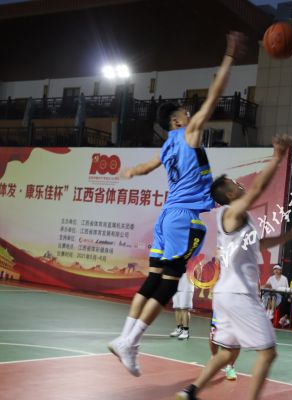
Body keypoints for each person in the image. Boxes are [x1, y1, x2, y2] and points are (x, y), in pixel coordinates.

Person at [107, 31, 247, 377]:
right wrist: (229, 56)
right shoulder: (188, 133)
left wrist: (130, 172)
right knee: (169, 284)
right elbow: (214, 96)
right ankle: (131, 342)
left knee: (152, 281)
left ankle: (124, 338)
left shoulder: (168, 145)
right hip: (183, 218)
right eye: (185, 112)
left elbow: (146, 167)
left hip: (167, 216)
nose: (190, 113)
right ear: (177, 121)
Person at [176, 134, 292, 400]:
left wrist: (290, 235)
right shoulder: (230, 213)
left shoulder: (240, 220)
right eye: (235, 184)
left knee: (227, 352)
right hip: (239, 294)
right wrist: (277, 157)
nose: (240, 185)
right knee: (268, 352)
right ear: (229, 193)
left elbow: (259, 244)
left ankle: (190, 391)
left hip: (226, 295)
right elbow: (258, 189)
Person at [209, 314, 238, 380]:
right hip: (220, 311)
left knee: (235, 338)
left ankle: (230, 367)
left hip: (237, 312)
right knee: (213, 333)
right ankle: (214, 359)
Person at [169, 273, 195, 340]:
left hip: (187, 286)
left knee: (184, 308)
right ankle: (179, 329)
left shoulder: (192, 264)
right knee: (177, 308)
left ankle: (185, 331)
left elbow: (198, 270)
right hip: (176, 285)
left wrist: (195, 282)